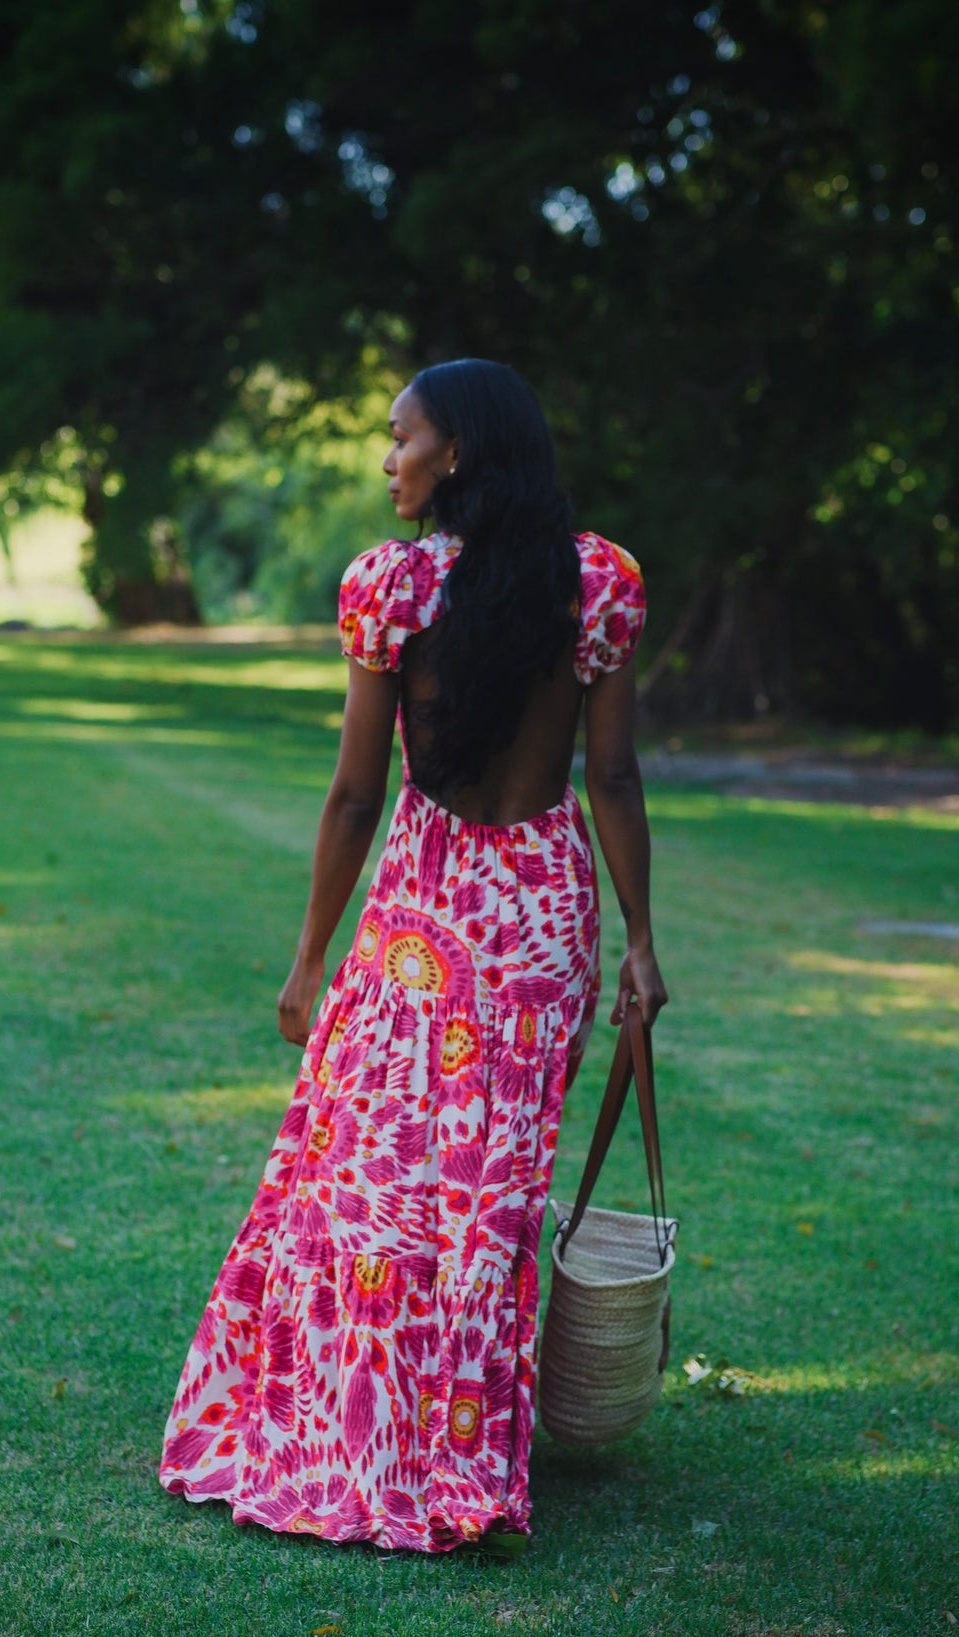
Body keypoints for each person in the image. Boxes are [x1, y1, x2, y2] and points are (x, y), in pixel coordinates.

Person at [159, 358, 667, 1553]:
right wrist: (641, 941)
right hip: (542, 922)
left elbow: (353, 798)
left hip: (419, 920)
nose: (389, 460)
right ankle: (467, 1468)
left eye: (402, 437)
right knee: (490, 1202)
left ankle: (358, 1441)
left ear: (461, 454)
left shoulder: (391, 589)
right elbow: (615, 777)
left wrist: (305, 963)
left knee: (369, 1185)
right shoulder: (597, 580)